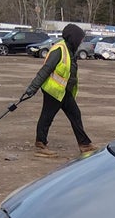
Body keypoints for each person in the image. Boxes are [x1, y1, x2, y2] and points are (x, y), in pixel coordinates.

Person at [22, 23, 97, 158]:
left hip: (63, 91)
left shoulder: (70, 50)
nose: (81, 41)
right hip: (53, 90)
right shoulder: (59, 49)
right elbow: (45, 70)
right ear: (73, 38)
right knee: (47, 117)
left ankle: (85, 144)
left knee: (75, 114)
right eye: (80, 38)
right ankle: (40, 145)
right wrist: (32, 88)